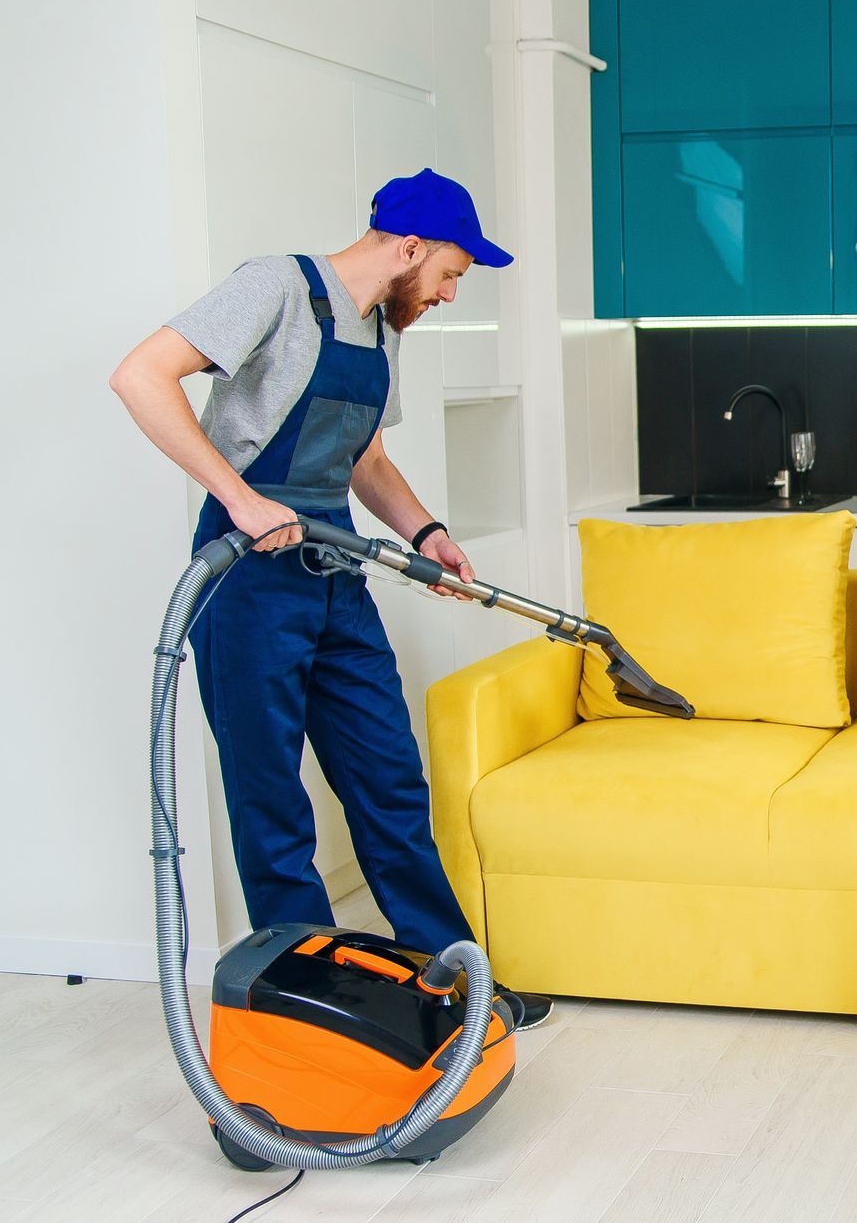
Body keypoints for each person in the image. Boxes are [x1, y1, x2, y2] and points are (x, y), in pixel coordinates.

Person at [110, 168, 549, 1027]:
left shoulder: (386, 328)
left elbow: (365, 460)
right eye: (454, 272)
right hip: (247, 577)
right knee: (272, 797)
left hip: (332, 569)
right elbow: (140, 376)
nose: (452, 293)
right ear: (411, 247)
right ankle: (309, 1003)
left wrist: (428, 535)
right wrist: (240, 498)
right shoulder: (275, 285)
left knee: (388, 779)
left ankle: (456, 983)